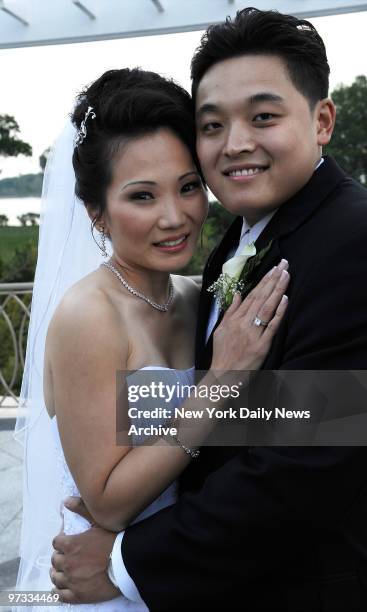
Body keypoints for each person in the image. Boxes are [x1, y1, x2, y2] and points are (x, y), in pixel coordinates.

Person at [51, 7, 367, 612]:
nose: (236, 143)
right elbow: (259, 420)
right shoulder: (239, 241)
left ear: (322, 120)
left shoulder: (351, 241)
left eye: (264, 116)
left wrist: (123, 563)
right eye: (213, 125)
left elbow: (299, 471)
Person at [14, 66, 289, 611]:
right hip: (110, 582)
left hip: (184, 570)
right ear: (96, 213)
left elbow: (269, 417)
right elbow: (108, 503)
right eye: (142, 196)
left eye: (188, 187)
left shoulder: (197, 296)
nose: (175, 217)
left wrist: (342, 406)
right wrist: (219, 384)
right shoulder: (88, 316)